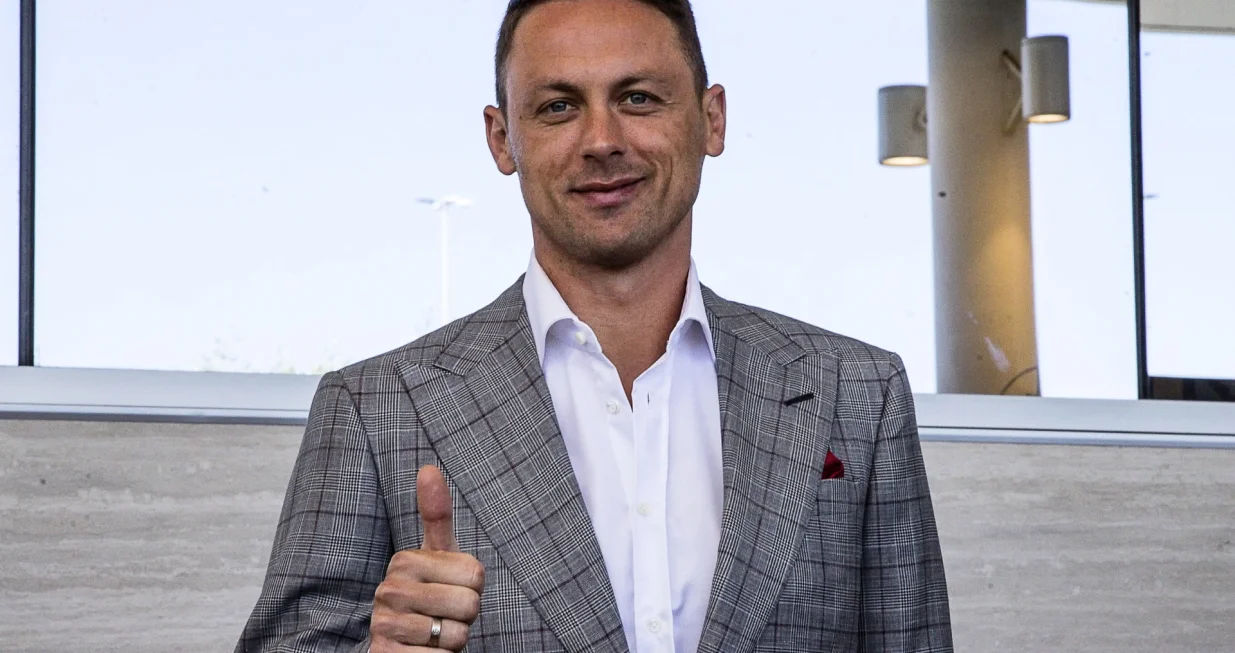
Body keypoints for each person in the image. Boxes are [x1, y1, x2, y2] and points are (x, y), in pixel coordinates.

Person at [237, 0, 952, 651]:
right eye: (556, 107)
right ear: (501, 138)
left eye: (637, 98)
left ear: (711, 120)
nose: (600, 140)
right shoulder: (376, 406)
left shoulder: (854, 392)